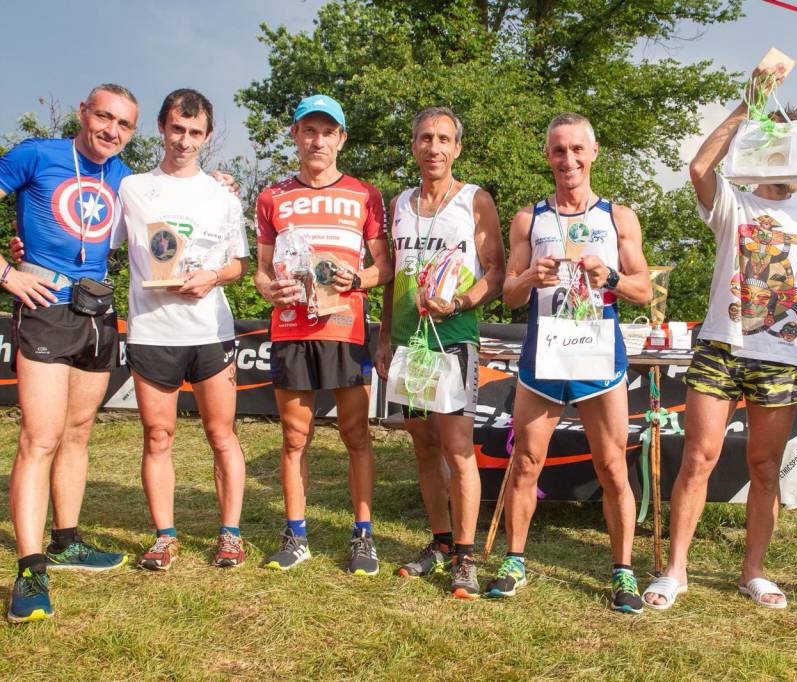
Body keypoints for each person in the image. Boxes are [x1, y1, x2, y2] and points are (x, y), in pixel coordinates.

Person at [642, 65, 797, 612]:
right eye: (769, 138)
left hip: (779, 357)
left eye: (792, 143)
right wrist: (747, 105)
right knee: (698, 458)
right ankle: (675, 570)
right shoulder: (734, 199)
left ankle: (753, 570)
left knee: (764, 468)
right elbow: (699, 165)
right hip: (721, 347)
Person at [485, 113, 652, 613]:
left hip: (599, 356)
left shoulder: (617, 217)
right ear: (548, 157)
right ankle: (514, 560)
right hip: (545, 354)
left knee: (612, 466)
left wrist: (612, 279)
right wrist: (530, 279)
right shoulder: (528, 219)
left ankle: (623, 570)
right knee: (527, 462)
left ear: (593, 153)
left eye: (577, 149)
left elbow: (645, 291)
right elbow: (508, 295)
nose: (568, 160)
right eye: (559, 151)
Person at [0, 84, 138, 623]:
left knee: (78, 432)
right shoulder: (38, 154)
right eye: (104, 117)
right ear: (84, 113)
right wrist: (7, 274)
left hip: (97, 313)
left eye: (124, 125)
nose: (111, 131)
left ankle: (67, 541)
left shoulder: (124, 176)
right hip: (43, 307)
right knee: (40, 437)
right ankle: (29, 570)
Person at [254, 94, 392, 574]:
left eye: (327, 132)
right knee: (295, 437)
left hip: (345, 327)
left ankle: (363, 535)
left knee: (356, 434)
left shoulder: (364, 194)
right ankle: (295, 535)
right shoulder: (272, 196)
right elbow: (260, 272)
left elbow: (385, 267)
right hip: (291, 328)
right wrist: (272, 290)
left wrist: (359, 280)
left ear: (341, 139)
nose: (317, 140)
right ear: (295, 135)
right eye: (309, 130)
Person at [115, 89, 249, 572]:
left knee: (222, 434)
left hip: (210, 331)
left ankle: (230, 534)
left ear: (207, 136)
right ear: (161, 127)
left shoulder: (223, 195)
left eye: (194, 132)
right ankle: (164, 536)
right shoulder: (131, 187)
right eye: (177, 129)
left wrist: (212, 276)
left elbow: (239, 264)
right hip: (152, 331)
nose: (184, 140)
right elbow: (98, 241)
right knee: (158, 435)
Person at [374, 107, 505, 599]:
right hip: (410, 341)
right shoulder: (399, 202)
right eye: (425, 138)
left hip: (453, 337)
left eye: (444, 139)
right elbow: (390, 275)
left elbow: (495, 271)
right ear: (414, 146)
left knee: (457, 447)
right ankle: (440, 542)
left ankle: (467, 558)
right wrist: (384, 336)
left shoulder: (475, 200)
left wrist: (462, 302)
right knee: (424, 446)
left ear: (457, 148)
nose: (434, 147)